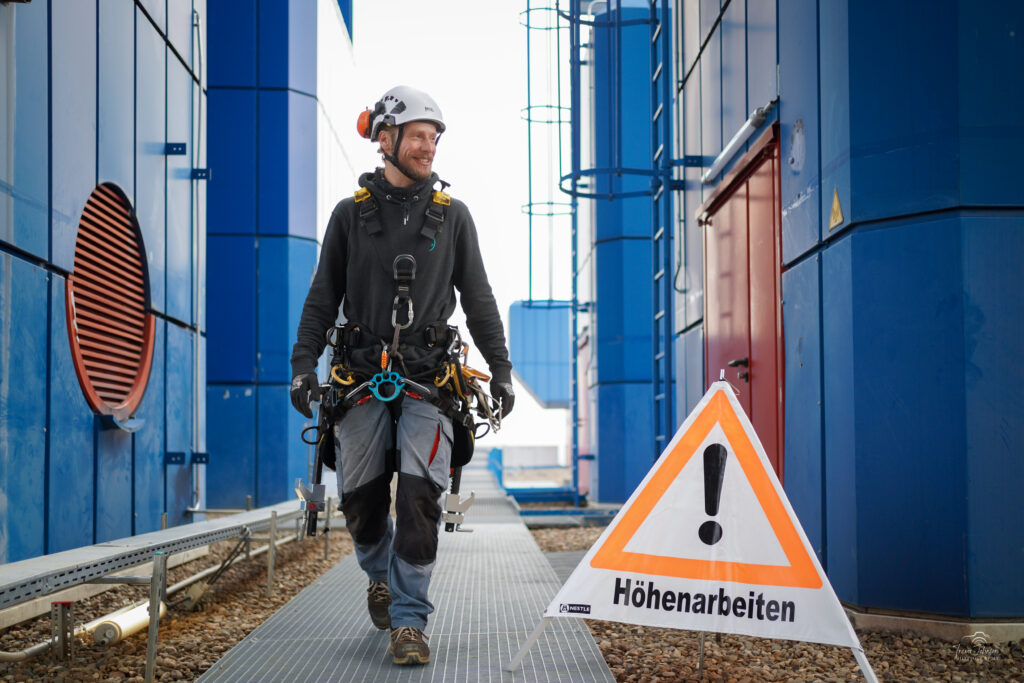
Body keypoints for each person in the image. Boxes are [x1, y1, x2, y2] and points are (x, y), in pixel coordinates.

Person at [288, 85, 514, 666]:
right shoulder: (349, 216)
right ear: (384, 138)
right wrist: (302, 366)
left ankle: (409, 619)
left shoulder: (453, 217)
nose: (428, 146)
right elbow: (322, 299)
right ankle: (381, 576)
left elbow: (480, 300)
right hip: (359, 378)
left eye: (433, 138)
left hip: (429, 381)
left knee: (418, 499)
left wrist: (502, 370)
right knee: (361, 503)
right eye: (417, 136)